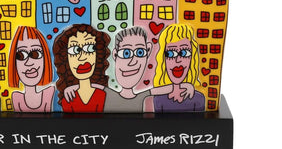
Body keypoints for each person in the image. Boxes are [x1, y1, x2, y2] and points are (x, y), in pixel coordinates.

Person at [64, 26, 194, 112]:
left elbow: (160, 89)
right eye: (126, 53)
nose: (133, 61)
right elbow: (93, 85)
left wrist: (183, 85)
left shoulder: (143, 96)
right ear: (115, 54)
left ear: (148, 51)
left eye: (139, 52)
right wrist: (74, 87)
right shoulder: (108, 93)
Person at [53, 24, 109, 112]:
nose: (82, 57)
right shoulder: (68, 98)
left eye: (90, 48)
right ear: (65, 59)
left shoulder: (104, 95)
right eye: (74, 50)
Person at [153, 23, 205, 112]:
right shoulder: (158, 100)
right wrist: (184, 85)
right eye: (170, 53)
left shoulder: (198, 99)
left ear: (192, 57)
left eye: (184, 53)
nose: (178, 60)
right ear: (163, 59)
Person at [8, 26, 55, 112]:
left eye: (35, 54)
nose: (29, 63)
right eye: (21, 56)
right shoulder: (16, 97)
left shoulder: (49, 91)